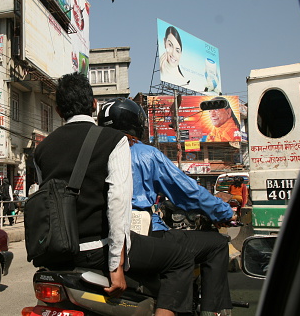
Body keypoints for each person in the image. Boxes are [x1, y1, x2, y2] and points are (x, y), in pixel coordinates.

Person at [34, 72, 195, 316]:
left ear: (58, 111)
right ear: (94, 105)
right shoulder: (114, 140)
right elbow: (118, 203)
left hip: (58, 254)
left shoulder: (41, 149)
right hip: (96, 252)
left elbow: (46, 204)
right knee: (182, 257)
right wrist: (116, 265)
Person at [98, 98, 236, 315]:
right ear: (136, 124)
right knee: (217, 244)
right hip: (144, 235)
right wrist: (223, 211)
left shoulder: (96, 154)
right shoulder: (146, 154)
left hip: (104, 239)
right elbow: (188, 192)